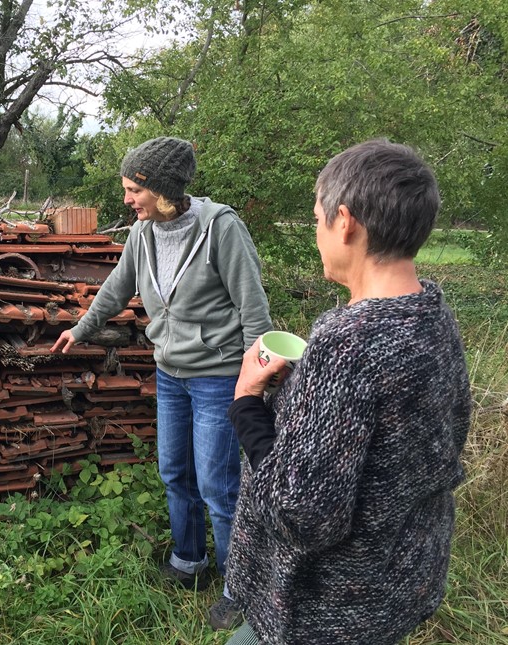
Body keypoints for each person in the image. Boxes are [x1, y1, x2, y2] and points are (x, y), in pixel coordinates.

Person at [224, 139, 472, 645]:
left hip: (330, 606)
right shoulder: (432, 316)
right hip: (401, 577)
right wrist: (304, 397)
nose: (318, 234)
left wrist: (248, 402)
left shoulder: (348, 343)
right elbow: (404, 441)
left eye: (317, 220)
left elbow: (302, 516)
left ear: (346, 221)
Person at [51, 136, 272, 628]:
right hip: (170, 374)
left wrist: (254, 379)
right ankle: (189, 561)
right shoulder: (143, 233)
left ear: (164, 189)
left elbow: (253, 309)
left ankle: (241, 586)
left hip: (217, 376)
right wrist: (81, 329)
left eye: (134, 190)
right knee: (176, 472)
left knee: (219, 484)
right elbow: (116, 288)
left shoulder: (221, 228)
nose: (128, 199)